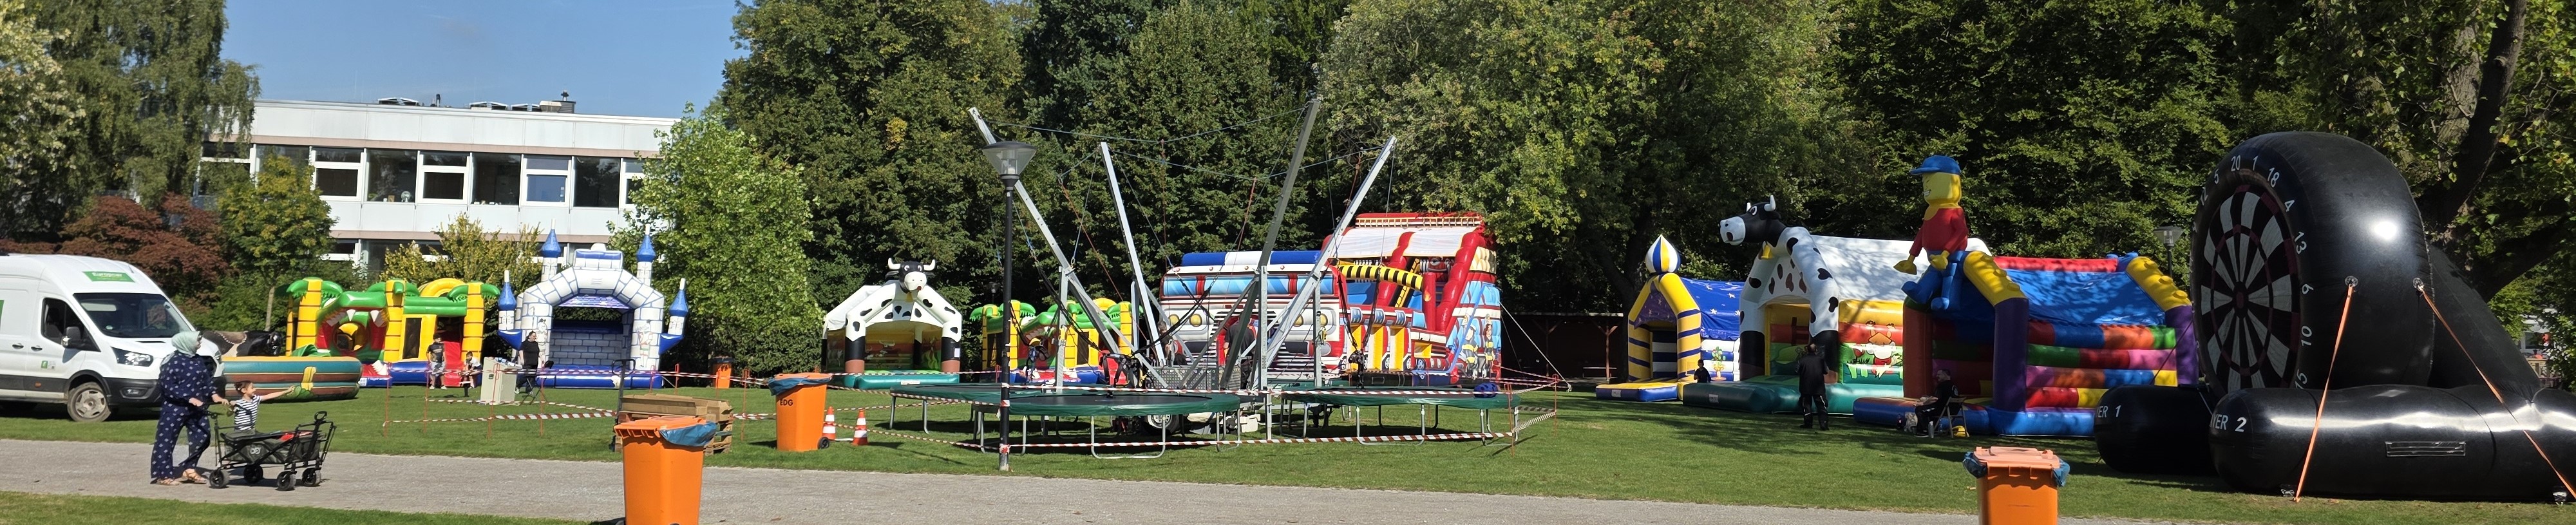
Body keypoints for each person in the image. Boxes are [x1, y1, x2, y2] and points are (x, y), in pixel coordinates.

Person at [149, 330, 223, 485]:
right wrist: (189, 398)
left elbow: (206, 381)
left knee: (203, 437)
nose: (200, 344)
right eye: (198, 341)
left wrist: (214, 395)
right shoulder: (172, 362)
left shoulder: (197, 360)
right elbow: (167, 387)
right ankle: (164, 475)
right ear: (186, 343)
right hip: (174, 409)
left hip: (197, 409)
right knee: (166, 441)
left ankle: (189, 468)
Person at [1911, 368, 1963, 437]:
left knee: (1919, 410)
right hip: (1954, 411)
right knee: (1930, 410)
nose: (1937, 376)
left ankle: (1924, 431)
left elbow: (1935, 399)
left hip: (1943, 410)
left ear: (1944, 375)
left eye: (1939, 374)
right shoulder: (1953, 385)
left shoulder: (1943, 385)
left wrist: (1922, 404)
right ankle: (1934, 429)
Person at [1794, 345, 1832, 430]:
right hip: (1819, 388)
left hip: (1805, 388)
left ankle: (1808, 423)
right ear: (1816, 350)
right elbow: (1826, 371)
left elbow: (1796, 370)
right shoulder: (1821, 361)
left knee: (1806, 406)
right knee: (1822, 406)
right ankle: (1824, 424)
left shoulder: (1802, 360)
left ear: (1807, 350)